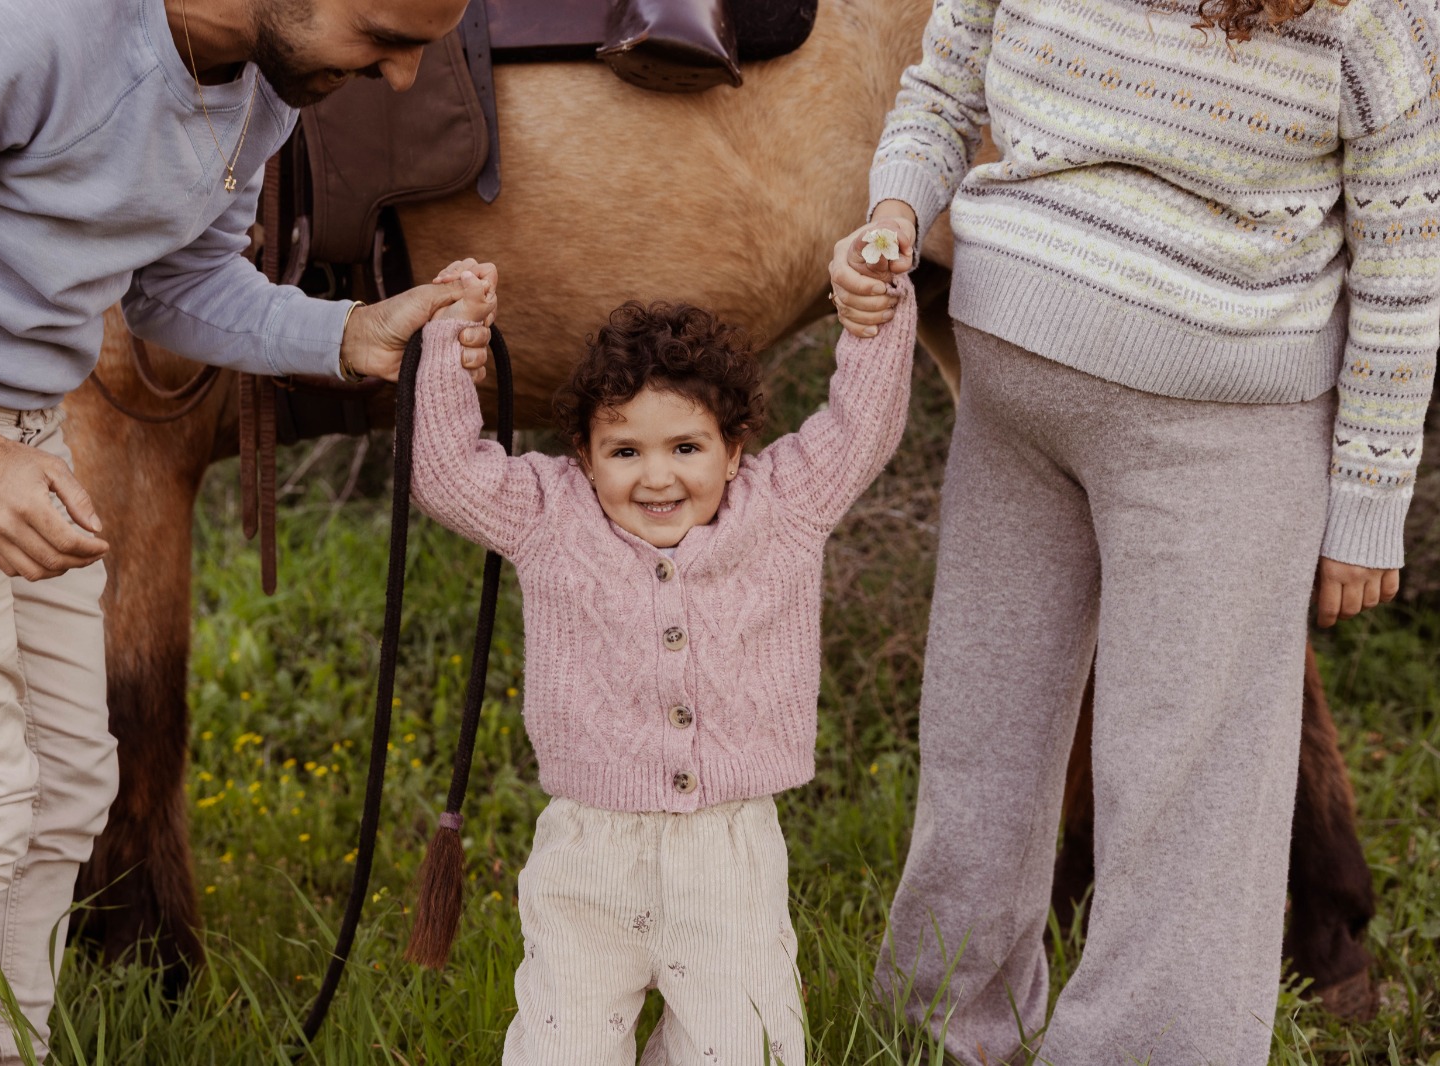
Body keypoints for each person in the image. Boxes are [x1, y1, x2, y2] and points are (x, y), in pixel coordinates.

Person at [0, 0, 494, 1059]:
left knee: (64, 792)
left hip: (21, 430)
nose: (407, 78)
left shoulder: (262, 84)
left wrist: (347, 332)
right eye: (385, 35)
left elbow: (171, 284)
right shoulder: (10, 23)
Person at [828, 0, 1439, 1061]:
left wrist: (1369, 501)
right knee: (1000, 739)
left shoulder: (1374, 18)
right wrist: (890, 214)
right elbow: (942, 88)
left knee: (1166, 774)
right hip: (1026, 399)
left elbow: (1406, 260)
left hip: (1212, 425)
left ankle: (1056, 1039)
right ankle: (943, 1033)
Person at [408, 263, 916, 1064]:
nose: (656, 476)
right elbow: (444, 476)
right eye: (623, 449)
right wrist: (447, 344)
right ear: (582, 452)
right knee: (561, 1045)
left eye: (686, 446)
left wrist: (876, 307)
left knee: (740, 1046)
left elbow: (865, 425)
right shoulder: (551, 513)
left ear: (734, 448)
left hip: (729, 854)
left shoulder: (785, 506)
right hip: (590, 851)